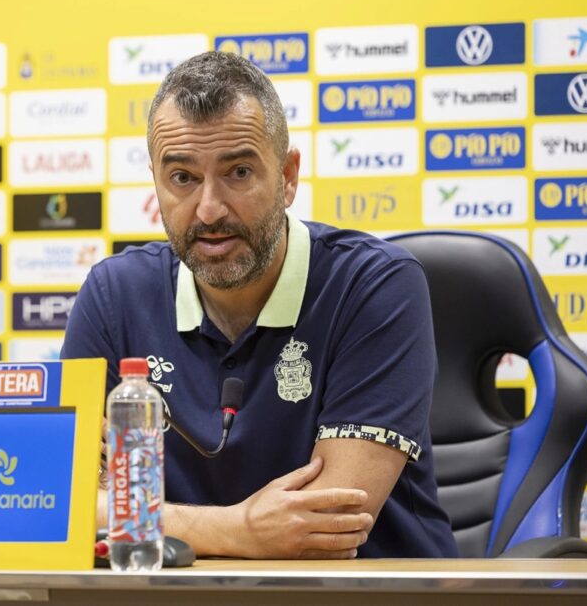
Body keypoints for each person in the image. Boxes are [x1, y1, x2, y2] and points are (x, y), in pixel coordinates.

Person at [61, 51, 458, 559]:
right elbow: (68, 502)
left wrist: (139, 515)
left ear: (288, 176)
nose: (209, 209)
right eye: (182, 177)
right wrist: (237, 528)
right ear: (156, 181)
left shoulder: (376, 285)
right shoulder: (114, 295)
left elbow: (325, 525)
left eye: (239, 172)